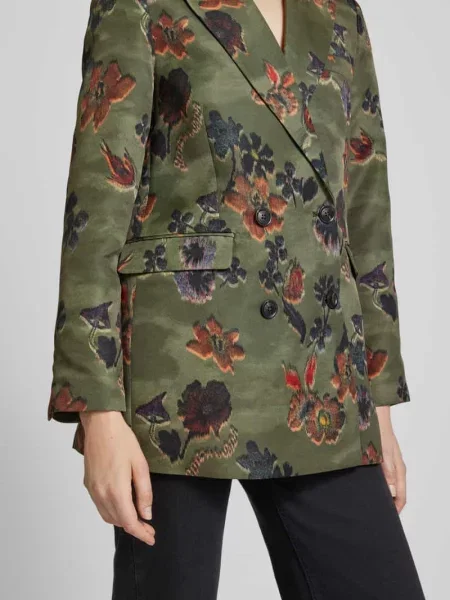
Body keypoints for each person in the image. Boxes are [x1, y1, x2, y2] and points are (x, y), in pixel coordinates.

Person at [47, 0, 426, 598]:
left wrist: (378, 405)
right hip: (179, 373)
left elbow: (365, 214)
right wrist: (97, 411)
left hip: (321, 377)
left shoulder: (339, 14)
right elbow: (96, 206)